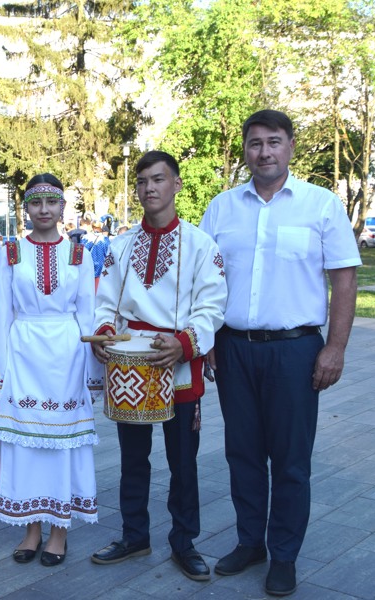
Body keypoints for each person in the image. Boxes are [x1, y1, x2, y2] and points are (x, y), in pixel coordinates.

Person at [200, 110, 360, 597]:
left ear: (291, 146)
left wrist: (335, 347)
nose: (264, 152)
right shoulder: (222, 209)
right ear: (245, 150)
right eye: (255, 144)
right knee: (242, 452)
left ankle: (284, 555)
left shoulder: (321, 205)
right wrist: (205, 341)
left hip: (295, 351)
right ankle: (251, 542)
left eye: (274, 142)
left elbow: (345, 279)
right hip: (233, 349)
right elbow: (205, 281)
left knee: (290, 460)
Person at [90, 151, 227, 583]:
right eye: (143, 181)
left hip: (179, 364)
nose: (150, 188)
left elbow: (212, 304)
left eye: (159, 179)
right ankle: (135, 536)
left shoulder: (202, 244)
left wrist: (186, 343)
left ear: (177, 185)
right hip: (130, 366)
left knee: (183, 460)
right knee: (133, 458)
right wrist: (105, 331)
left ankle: (184, 542)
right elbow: (105, 300)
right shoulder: (120, 245)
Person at [0, 174, 103, 567]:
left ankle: (59, 530)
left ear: (62, 208)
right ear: (25, 209)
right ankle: (30, 527)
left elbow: (88, 314)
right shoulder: (10, 252)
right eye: (35, 203)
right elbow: (2, 312)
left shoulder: (79, 255)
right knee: (24, 443)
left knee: (64, 445)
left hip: (67, 353)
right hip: (23, 351)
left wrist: (92, 375)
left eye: (51, 203)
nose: (43, 210)